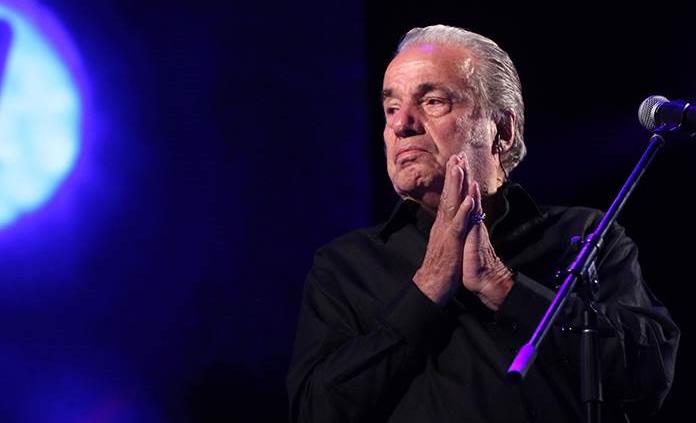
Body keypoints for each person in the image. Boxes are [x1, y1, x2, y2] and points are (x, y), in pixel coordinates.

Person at [286, 24, 679, 422]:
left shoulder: (584, 237)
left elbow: (650, 377)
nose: (401, 124)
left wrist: (504, 286)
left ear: (502, 131)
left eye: (433, 101)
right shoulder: (347, 265)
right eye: (391, 108)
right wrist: (426, 289)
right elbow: (315, 411)